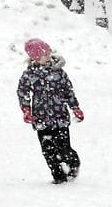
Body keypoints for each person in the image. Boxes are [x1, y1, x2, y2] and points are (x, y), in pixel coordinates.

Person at [16, 38, 83, 184]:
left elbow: (68, 92)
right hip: (41, 119)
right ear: (35, 58)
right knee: (48, 152)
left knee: (64, 149)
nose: (48, 55)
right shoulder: (29, 75)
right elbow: (23, 92)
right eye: (44, 54)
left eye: (48, 52)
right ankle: (58, 177)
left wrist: (75, 107)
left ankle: (73, 163)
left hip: (60, 118)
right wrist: (26, 109)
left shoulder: (59, 73)